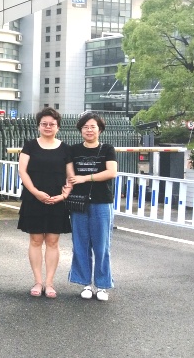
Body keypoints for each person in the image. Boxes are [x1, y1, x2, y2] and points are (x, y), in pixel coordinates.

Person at [17, 107, 72, 299]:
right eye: (44, 124)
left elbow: (70, 176)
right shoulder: (30, 146)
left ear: (58, 127)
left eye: (52, 124)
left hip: (57, 200)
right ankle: (38, 282)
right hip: (34, 198)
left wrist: (64, 195)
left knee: (53, 241)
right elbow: (22, 171)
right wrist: (36, 192)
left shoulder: (65, 149)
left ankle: (49, 283)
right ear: (39, 126)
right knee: (35, 240)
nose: (48, 127)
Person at [66, 112, 117, 302]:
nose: (89, 130)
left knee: (102, 245)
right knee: (80, 244)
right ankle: (85, 283)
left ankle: (102, 285)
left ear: (100, 130)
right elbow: (69, 174)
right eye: (85, 127)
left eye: (93, 127)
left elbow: (111, 172)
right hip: (79, 202)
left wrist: (85, 178)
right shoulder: (73, 150)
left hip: (102, 201)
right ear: (80, 130)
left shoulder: (107, 149)